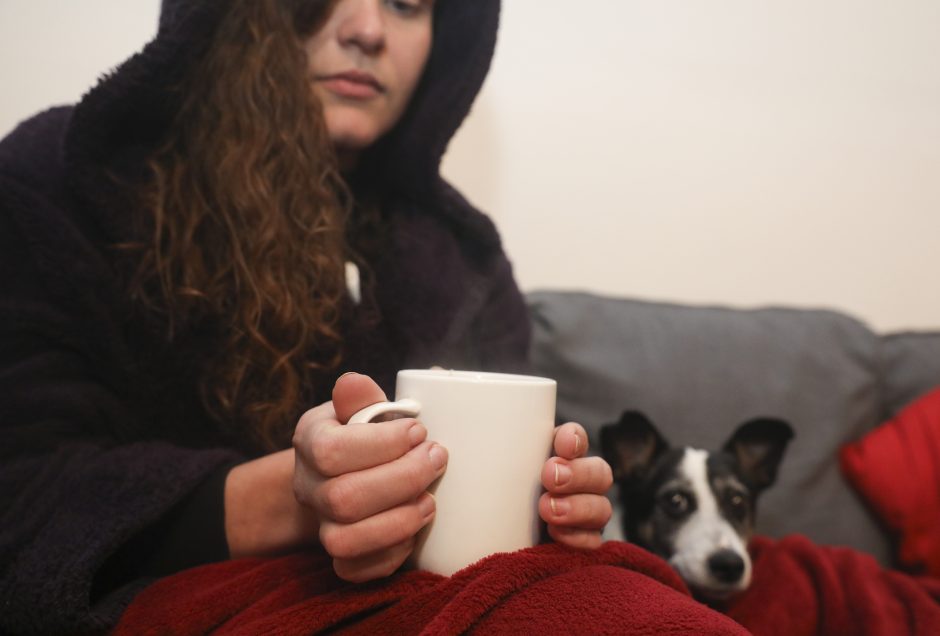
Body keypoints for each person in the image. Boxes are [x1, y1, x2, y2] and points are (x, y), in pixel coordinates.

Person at [0, 0, 612, 633]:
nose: (368, 30)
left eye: (406, 4)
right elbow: (20, 495)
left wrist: (553, 500)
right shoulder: (69, 179)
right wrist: (286, 503)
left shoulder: (461, 254)